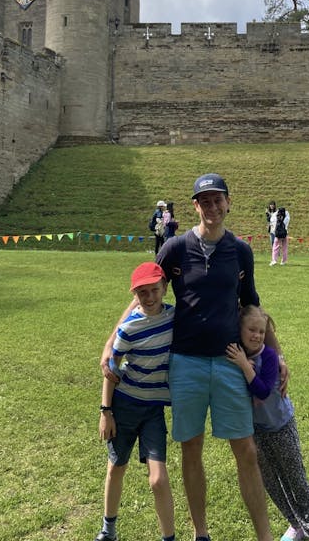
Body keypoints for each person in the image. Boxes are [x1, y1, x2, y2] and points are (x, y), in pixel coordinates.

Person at [102, 173, 285, 541]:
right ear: (195, 206)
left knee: (245, 450)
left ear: (228, 203)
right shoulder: (174, 249)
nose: (212, 207)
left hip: (231, 360)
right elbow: (145, 292)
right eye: (205, 201)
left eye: (218, 200)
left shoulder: (241, 251)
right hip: (186, 362)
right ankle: (201, 534)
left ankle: (264, 536)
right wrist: (111, 342)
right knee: (191, 448)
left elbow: (252, 306)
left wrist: (276, 353)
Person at [226, 305, 309, 541]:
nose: (256, 336)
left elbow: (261, 392)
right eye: (251, 330)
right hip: (257, 431)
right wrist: (240, 363)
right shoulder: (236, 355)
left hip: (281, 426)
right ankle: (296, 524)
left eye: (261, 332)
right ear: (239, 329)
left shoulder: (268, 356)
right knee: (271, 482)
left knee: (295, 479)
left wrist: (244, 366)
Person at [95, 261, 176, 541]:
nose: (150, 297)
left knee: (158, 479)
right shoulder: (128, 329)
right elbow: (112, 370)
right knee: (117, 466)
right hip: (125, 405)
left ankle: (169, 537)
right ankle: (109, 529)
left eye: (155, 290)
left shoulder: (174, 318)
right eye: (143, 293)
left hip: (153, 410)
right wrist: (106, 411)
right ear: (135, 295)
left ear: (165, 288)